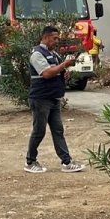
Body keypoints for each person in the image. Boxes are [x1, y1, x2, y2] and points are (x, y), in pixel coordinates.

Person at [24, 25, 85, 174]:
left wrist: (64, 73)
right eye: (54, 38)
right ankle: (30, 161)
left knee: (58, 130)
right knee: (39, 131)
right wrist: (63, 65)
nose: (57, 41)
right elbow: (46, 73)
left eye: (58, 38)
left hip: (54, 98)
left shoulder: (54, 54)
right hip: (40, 99)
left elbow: (55, 71)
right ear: (45, 37)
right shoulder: (37, 54)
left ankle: (67, 162)